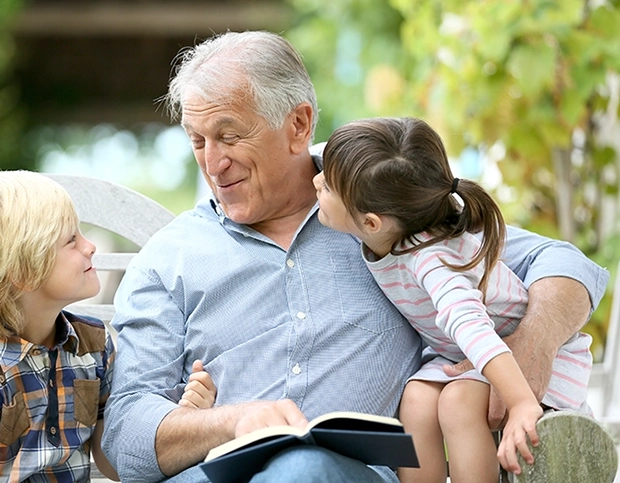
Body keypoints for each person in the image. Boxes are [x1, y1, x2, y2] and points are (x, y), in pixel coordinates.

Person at [102, 30, 608, 483]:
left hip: (346, 474)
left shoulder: (383, 210)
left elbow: (568, 266)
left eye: (230, 136)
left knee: (303, 470)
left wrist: (530, 346)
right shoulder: (170, 257)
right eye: (198, 141)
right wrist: (232, 422)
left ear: (299, 125)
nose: (214, 162)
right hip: (214, 475)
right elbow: (126, 435)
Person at [313, 117, 594, 482]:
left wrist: (521, 401)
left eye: (329, 186)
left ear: (370, 224)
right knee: (415, 400)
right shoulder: (394, 224)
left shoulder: (434, 261)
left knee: (458, 403)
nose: (316, 180)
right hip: (461, 357)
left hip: (521, 363)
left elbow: (472, 328)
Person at [0, 171, 215, 482]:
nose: (89, 246)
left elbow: (113, 464)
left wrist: (185, 420)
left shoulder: (92, 346)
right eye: (71, 240)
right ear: (24, 272)